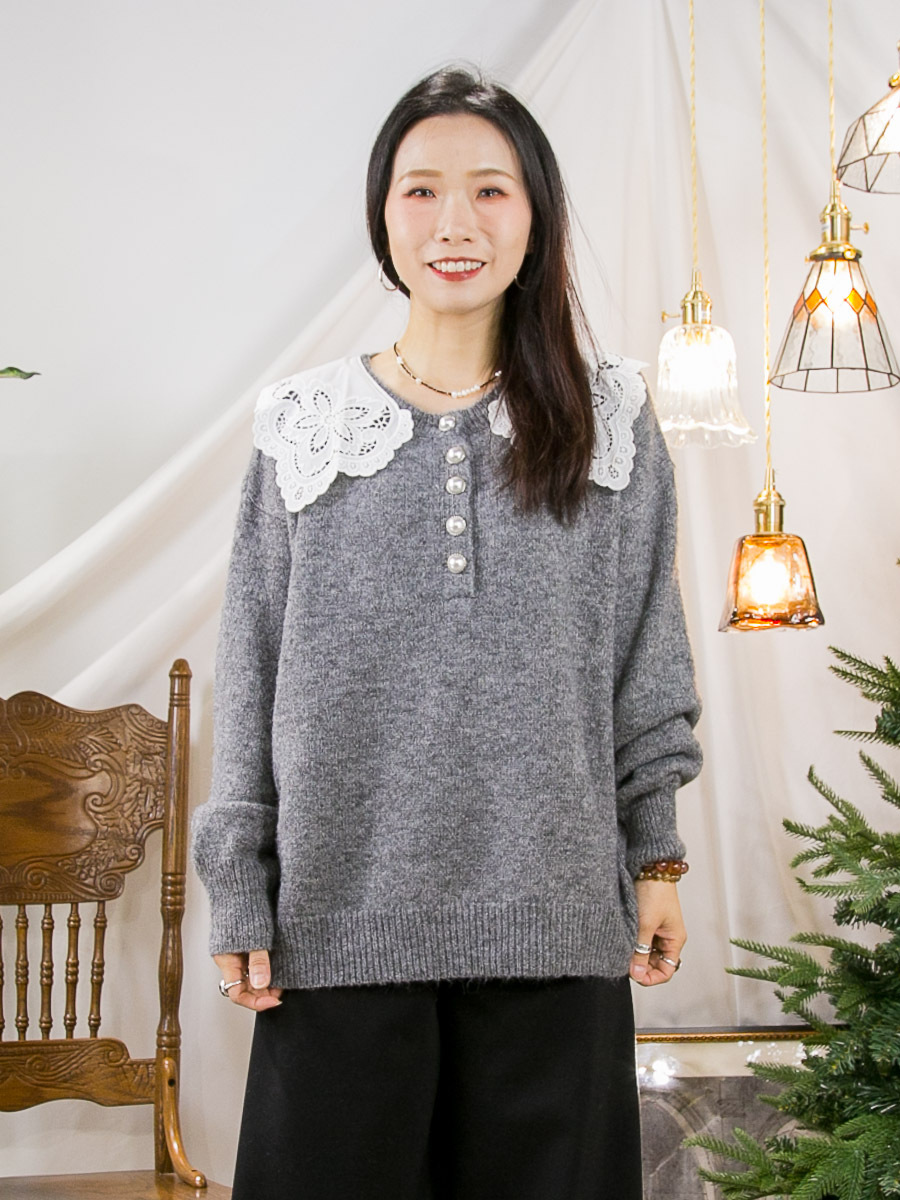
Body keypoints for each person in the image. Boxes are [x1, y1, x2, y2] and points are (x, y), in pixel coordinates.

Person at [190, 63, 703, 1200]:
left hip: (556, 930)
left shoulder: (610, 420)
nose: (454, 223)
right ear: (383, 216)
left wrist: (656, 855)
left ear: (536, 216)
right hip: (338, 929)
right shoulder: (302, 425)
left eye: (491, 191)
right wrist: (238, 880)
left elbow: (646, 660)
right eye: (420, 190)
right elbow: (252, 670)